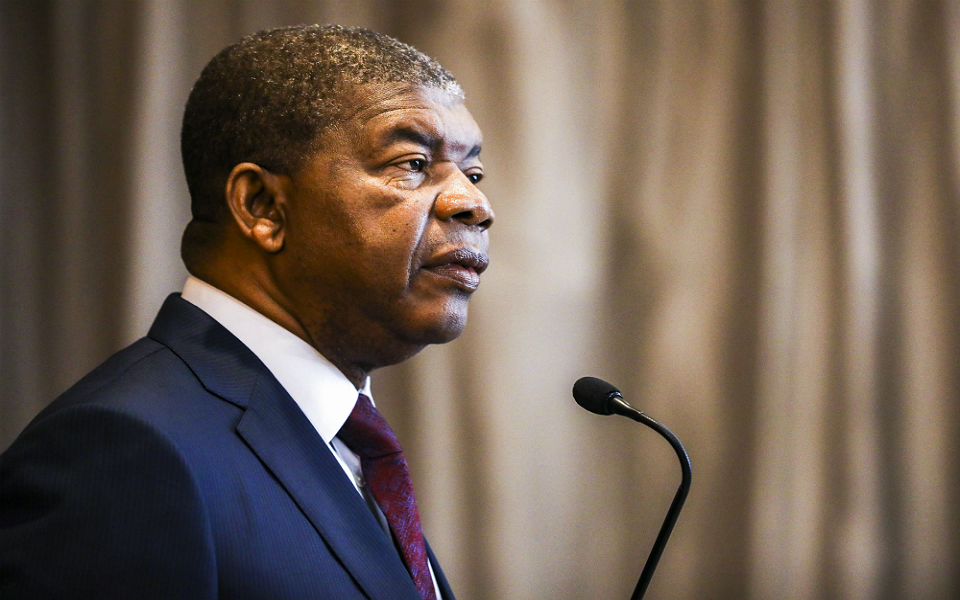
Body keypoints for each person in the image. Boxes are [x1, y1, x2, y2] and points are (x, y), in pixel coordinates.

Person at [0, 24, 492, 600]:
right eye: (412, 163)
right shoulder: (120, 453)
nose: (474, 204)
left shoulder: (349, 442)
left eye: (472, 173)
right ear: (262, 206)